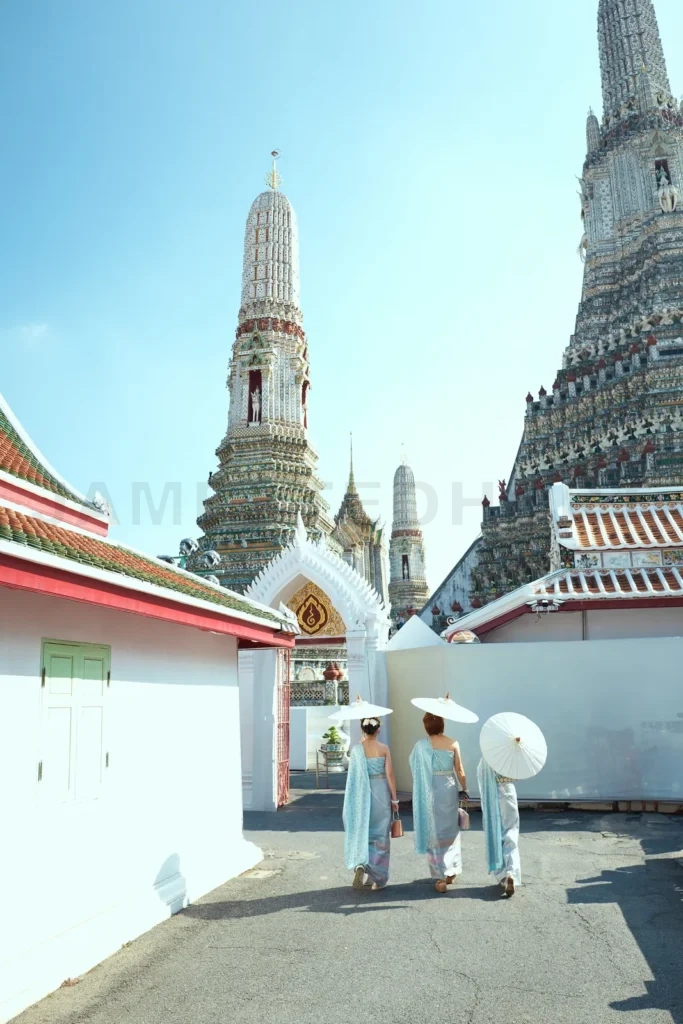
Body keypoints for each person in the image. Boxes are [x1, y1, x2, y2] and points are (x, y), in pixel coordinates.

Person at [410, 713, 467, 893]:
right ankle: (451, 870)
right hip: (449, 788)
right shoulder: (453, 743)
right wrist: (464, 788)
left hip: (430, 790)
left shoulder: (421, 746)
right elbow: (459, 769)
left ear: (426, 726)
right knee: (451, 830)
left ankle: (440, 877)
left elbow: (414, 765)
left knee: (434, 831)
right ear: (442, 724)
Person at [343, 717, 398, 891]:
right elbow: (390, 774)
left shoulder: (357, 750)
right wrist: (394, 799)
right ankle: (378, 879)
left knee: (363, 831)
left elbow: (353, 777)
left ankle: (361, 865)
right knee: (381, 835)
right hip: (380, 791)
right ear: (378, 730)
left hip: (362, 795)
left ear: (362, 729)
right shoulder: (383, 748)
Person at [477, 757, 521, 897]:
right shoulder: (510, 754)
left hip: (492, 793)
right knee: (511, 831)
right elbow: (517, 776)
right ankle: (511, 872)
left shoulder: (488, 755)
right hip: (508, 789)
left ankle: (502, 874)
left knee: (494, 832)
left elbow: (481, 775)